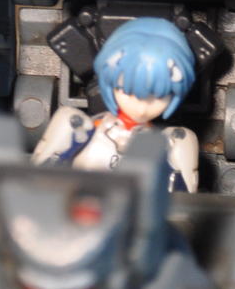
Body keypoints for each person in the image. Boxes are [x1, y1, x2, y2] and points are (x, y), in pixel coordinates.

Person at [31, 17, 200, 192]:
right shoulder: (79, 129)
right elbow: (41, 181)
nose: (142, 108)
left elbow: (180, 198)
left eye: (159, 96)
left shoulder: (169, 144)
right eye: (128, 91)